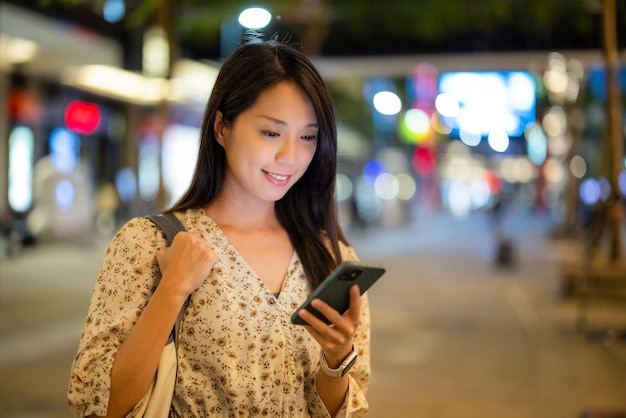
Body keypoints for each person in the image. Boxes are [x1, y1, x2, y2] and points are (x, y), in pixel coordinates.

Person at [68, 38, 371, 417]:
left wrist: (337, 358)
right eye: (271, 133)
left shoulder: (331, 258)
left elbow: (338, 410)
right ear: (221, 127)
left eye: (308, 137)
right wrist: (173, 288)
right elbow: (102, 403)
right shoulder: (150, 242)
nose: (289, 156)